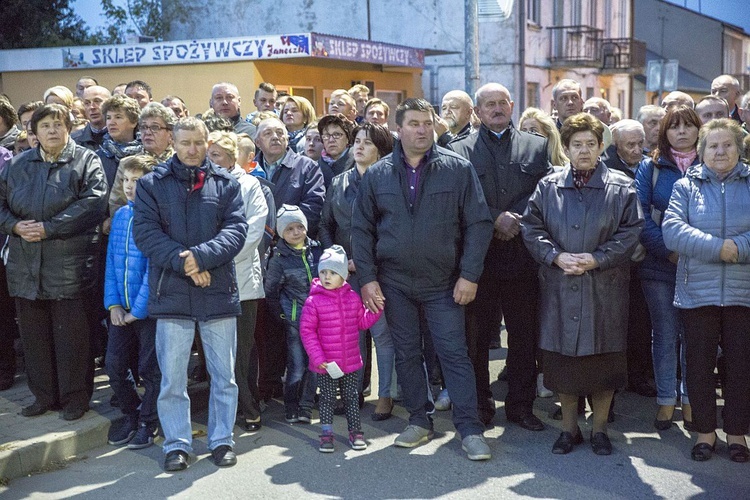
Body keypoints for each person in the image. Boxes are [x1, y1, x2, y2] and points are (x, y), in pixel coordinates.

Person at [351, 97, 493, 461]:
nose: (422, 130)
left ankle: (470, 429)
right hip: (395, 283)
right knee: (407, 353)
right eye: (414, 123)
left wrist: (469, 275)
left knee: (454, 354)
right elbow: (362, 230)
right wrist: (367, 279)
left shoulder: (457, 169)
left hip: (444, 283)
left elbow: (478, 224)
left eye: (427, 123)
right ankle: (418, 420)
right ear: (399, 129)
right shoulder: (379, 174)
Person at [522, 112, 643, 456]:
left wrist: (598, 258)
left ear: (601, 146)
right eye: (577, 144)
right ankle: (569, 429)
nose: (584, 151)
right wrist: (556, 257)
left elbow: (631, 231)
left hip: (605, 289)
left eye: (591, 143)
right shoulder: (548, 185)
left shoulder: (621, 186)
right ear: (567, 147)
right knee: (563, 366)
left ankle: (600, 430)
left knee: (605, 365)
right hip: (559, 286)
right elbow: (532, 229)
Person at [133, 116, 248, 472]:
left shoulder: (227, 183)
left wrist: (200, 259)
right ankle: (177, 444)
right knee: (172, 378)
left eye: (198, 143)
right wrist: (186, 264)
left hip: (216, 291)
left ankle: (221, 440)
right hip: (173, 294)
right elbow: (146, 234)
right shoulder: (152, 184)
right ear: (174, 143)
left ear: (206, 140)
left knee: (223, 376)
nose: (192, 150)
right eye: (185, 143)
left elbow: (236, 231)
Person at [451, 83, 552, 430]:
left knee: (524, 336)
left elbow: (543, 193)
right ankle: (481, 405)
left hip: (523, 257)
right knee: (476, 338)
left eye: (501, 103)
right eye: (488, 104)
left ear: (512, 106)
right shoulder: (459, 149)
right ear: (477, 112)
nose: (496, 109)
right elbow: (460, 198)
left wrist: (516, 217)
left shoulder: (537, 146)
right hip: (479, 259)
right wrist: (495, 217)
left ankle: (521, 407)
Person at [0, 103, 108, 420]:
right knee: (35, 337)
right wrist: (14, 226)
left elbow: (93, 203)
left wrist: (50, 228)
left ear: (68, 128)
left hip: (68, 265)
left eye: (57, 124)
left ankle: (75, 398)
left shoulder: (86, 160)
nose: (51, 130)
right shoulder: (18, 165)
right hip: (25, 264)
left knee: (72, 337)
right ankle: (44, 396)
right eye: (44, 125)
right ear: (34, 131)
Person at [662, 118, 750, 463]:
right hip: (697, 292)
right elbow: (673, 231)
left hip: (744, 293)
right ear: (702, 151)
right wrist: (720, 248)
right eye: (713, 145)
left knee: (741, 366)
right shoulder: (686, 186)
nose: (720, 151)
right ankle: (704, 432)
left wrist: (739, 248)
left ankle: (738, 433)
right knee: (698, 366)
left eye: (727, 144)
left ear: (739, 148)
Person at [319, 122, 395, 420]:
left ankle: (386, 394)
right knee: (350, 337)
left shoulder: (390, 181)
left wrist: (363, 262)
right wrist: (336, 259)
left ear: (381, 149)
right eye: (357, 142)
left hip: (379, 272)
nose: (359, 147)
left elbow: (392, 231)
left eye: (367, 142)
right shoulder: (339, 182)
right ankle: (353, 392)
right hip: (344, 274)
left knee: (382, 336)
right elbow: (326, 225)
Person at [635, 105, 701, 432]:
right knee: (664, 333)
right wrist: (667, 251)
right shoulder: (652, 166)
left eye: (688, 125)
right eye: (675, 127)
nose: (682, 132)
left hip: (702, 266)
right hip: (659, 266)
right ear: (665, 132)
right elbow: (640, 215)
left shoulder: (712, 164)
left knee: (695, 335)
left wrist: (694, 253)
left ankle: (690, 398)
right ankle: (665, 399)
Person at [207, 130, 268, 432]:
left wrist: (217, 258)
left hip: (240, 277)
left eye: (216, 155)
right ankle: (239, 407)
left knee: (242, 350)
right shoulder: (201, 183)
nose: (210, 160)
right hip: (208, 278)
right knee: (219, 351)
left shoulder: (249, 185)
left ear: (232, 157)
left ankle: (248, 405)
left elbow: (253, 232)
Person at [104, 155, 161, 450]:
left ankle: (148, 423)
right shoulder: (123, 216)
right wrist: (113, 304)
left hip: (148, 311)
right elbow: (112, 264)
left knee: (150, 369)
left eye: (136, 181)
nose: (129, 186)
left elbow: (154, 269)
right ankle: (132, 413)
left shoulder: (157, 216)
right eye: (126, 179)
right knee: (114, 365)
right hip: (122, 309)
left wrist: (137, 311)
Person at [300, 245, 382, 452]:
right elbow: (307, 332)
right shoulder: (313, 301)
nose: (327, 277)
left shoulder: (353, 298)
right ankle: (326, 434)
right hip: (326, 364)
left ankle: (355, 432)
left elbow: (361, 323)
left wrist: (376, 310)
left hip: (350, 362)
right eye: (323, 272)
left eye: (333, 273)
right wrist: (318, 358)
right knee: (327, 400)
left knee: (351, 398)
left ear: (344, 275)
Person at [264, 205, 322, 423]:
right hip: (296, 322)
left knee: (315, 364)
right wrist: (283, 316)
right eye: (290, 229)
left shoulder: (316, 251)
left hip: (318, 321)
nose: (296, 232)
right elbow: (271, 291)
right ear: (281, 233)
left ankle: (307, 405)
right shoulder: (279, 259)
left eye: (300, 227)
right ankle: (291, 404)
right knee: (297, 366)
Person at [253, 117, 325, 236]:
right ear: (258, 142)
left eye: (280, 133)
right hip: (257, 243)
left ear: (287, 139)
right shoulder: (249, 169)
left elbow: (313, 207)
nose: (275, 137)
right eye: (267, 133)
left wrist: (283, 230)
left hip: (293, 242)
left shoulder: (307, 167)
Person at [109, 102, 175, 216]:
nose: (147, 132)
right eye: (144, 127)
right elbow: (117, 203)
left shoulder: (179, 163)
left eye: (155, 127)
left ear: (170, 134)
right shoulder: (127, 163)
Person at [97, 94, 143, 189]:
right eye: (108, 118)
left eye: (118, 117)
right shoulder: (97, 157)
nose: (111, 122)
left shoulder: (145, 154)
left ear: (134, 122)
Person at [317, 113, 355, 187]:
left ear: (347, 138)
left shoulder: (357, 162)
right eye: (326, 135)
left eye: (337, 135)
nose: (331, 140)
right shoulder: (315, 167)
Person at [73, 86, 112, 151]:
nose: (92, 107)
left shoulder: (123, 136)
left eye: (97, 101)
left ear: (110, 104)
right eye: (87, 103)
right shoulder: (73, 141)